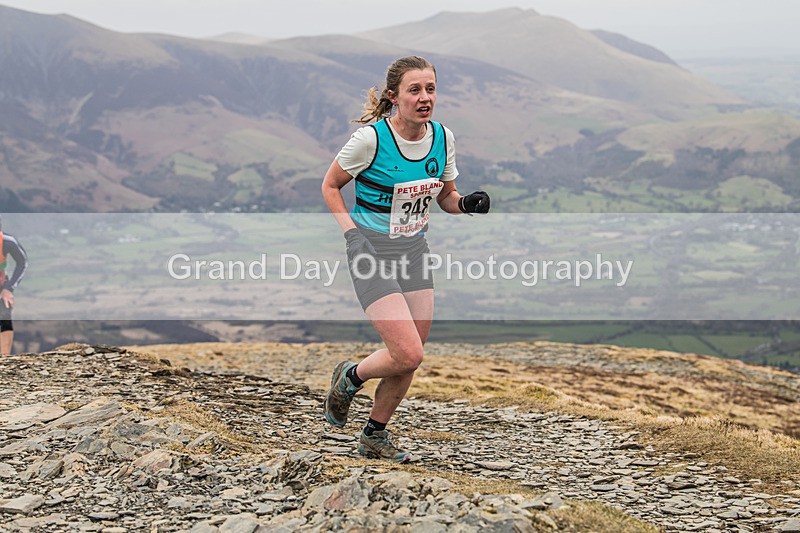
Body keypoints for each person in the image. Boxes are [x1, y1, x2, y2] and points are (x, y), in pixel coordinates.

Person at [320, 56, 490, 462]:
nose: (425, 97)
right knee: (408, 352)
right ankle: (351, 375)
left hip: (413, 251)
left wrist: (466, 203)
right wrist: (352, 235)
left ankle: (373, 434)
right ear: (394, 96)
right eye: (415, 90)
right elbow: (329, 186)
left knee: (409, 359)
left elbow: (446, 196)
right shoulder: (371, 140)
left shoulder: (443, 138)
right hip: (370, 253)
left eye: (430, 88)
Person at [0, 215, 29, 355]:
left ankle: (4, 360)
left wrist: (8, 289)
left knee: (4, 309)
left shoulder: (7, 242)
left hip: (1, 285)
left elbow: (23, 263)